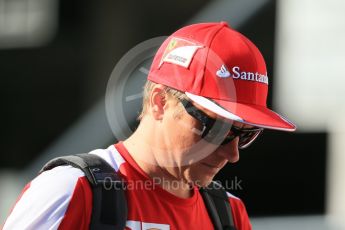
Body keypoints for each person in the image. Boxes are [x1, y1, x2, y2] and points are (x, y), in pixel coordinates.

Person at [3, 21, 296, 230]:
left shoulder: (229, 214)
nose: (233, 154)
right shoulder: (71, 190)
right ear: (160, 102)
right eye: (217, 128)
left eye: (246, 134)